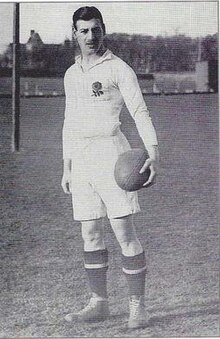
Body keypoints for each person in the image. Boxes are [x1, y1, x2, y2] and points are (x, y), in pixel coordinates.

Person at [61, 6, 159, 329]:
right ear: (74, 33)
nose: (90, 36)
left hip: (113, 157)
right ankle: (99, 303)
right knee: (89, 231)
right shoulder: (71, 74)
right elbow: (68, 123)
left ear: (104, 29)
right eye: (83, 30)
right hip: (82, 160)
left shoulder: (119, 69)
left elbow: (140, 112)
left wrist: (153, 153)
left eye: (95, 29)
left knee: (123, 232)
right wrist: (67, 166)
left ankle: (138, 308)